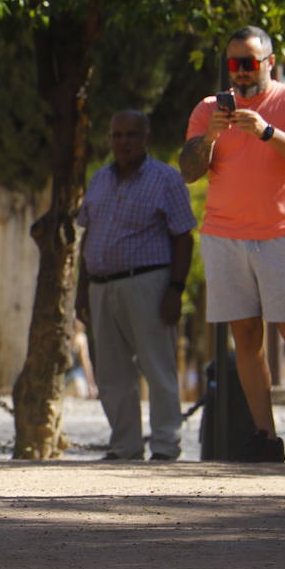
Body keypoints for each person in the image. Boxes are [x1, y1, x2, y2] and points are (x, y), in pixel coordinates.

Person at [180, 26, 285, 466]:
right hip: (224, 237)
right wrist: (210, 137)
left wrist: (268, 132)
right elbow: (189, 171)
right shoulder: (209, 109)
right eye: (233, 63)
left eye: (249, 62)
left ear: (270, 62)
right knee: (245, 336)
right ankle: (265, 436)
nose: (240, 71)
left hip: (281, 236)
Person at [77, 110, 195, 461]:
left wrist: (175, 289)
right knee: (112, 373)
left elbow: (183, 237)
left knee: (157, 367)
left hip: (148, 283)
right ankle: (125, 445)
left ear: (146, 138)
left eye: (131, 135)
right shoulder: (98, 180)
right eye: (117, 135)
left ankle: (164, 445)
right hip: (101, 287)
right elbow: (87, 236)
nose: (123, 142)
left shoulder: (165, 179)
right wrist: (82, 289)